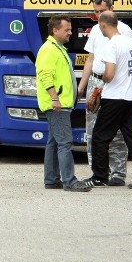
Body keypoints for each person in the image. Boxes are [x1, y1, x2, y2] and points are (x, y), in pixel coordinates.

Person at [87, 11, 132, 190]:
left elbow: (110, 74)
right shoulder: (131, 42)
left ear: (103, 25)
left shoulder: (112, 45)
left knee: (99, 137)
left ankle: (99, 177)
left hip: (115, 97)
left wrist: (100, 84)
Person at [78, 0, 132, 186]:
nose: (99, 16)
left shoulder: (124, 30)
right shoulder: (94, 30)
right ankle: (98, 173)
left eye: (103, 11)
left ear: (112, 8)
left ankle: (118, 173)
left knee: (116, 131)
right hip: (96, 81)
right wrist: (82, 86)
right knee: (92, 130)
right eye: (96, 12)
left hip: (114, 83)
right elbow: (90, 59)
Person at [36, 15, 90, 192]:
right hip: (57, 105)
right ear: (55, 30)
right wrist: (54, 98)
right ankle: (70, 181)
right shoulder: (49, 50)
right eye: (66, 29)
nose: (70, 33)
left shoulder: (57, 48)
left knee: (53, 142)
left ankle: (51, 179)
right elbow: (46, 76)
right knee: (65, 142)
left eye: (70, 29)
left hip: (60, 103)